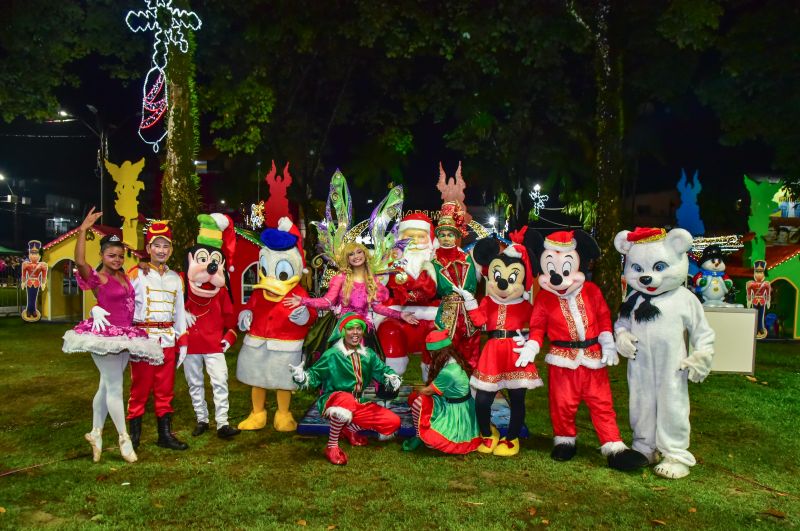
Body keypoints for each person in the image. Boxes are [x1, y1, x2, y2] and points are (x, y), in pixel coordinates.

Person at [62, 207, 162, 463]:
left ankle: (96, 433)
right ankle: (123, 440)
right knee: (115, 388)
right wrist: (83, 231)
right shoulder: (99, 278)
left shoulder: (123, 276)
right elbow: (81, 262)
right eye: (111, 255)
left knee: (106, 386)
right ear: (103, 255)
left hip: (125, 335)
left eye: (119, 256)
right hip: (105, 338)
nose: (116, 259)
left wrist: (141, 262)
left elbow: (137, 272)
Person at [290, 313, 402, 465]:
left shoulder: (368, 355)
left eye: (358, 328)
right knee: (345, 399)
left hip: (357, 402)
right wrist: (302, 377)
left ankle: (349, 429)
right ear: (343, 331)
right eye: (350, 329)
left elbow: (383, 370)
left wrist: (393, 378)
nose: (355, 332)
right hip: (333, 400)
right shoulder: (332, 354)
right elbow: (315, 375)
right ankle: (332, 446)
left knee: (392, 422)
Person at [283, 242, 418, 355]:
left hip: (363, 329)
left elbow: (377, 307)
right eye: (351, 254)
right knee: (341, 367)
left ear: (365, 254)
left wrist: (400, 315)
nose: (356, 256)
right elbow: (327, 302)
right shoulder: (340, 278)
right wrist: (302, 300)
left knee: (365, 364)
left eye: (359, 252)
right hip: (341, 329)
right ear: (347, 259)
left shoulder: (372, 280)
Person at [126, 221, 189, 451]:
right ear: (149, 248)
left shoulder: (176, 277)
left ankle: (165, 436)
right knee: (139, 390)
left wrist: (182, 342)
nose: (161, 250)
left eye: (166, 246)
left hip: (168, 341)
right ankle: (133, 439)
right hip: (144, 341)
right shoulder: (136, 274)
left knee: (165, 391)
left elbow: (180, 312)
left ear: (171, 249)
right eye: (157, 245)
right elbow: (126, 307)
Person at [402, 329, 482, 454]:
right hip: (451, 401)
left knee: (418, 401)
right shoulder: (451, 361)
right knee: (417, 398)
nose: (431, 355)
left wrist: (416, 392)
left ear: (440, 352)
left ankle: (419, 436)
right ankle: (425, 431)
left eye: (433, 352)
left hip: (457, 412)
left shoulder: (449, 371)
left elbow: (428, 391)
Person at [432, 202, 480, 367]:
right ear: (438, 237)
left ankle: (468, 384)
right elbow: (434, 286)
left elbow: (472, 283)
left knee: (469, 348)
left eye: (450, 235)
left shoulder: (466, 258)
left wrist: (467, 295)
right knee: (444, 348)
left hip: (467, 311)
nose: (446, 238)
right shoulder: (433, 261)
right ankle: (443, 385)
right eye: (442, 235)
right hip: (447, 311)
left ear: (456, 236)